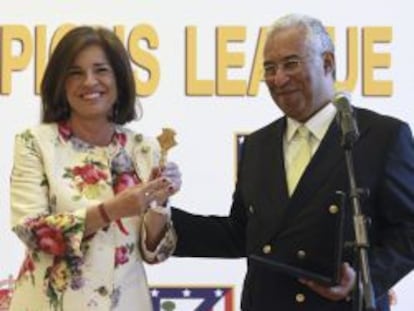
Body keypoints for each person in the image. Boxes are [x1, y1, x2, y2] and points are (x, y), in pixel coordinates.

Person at [171, 14, 414, 311]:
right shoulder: (258, 144)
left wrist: (365, 279)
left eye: (291, 64)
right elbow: (241, 233)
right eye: (269, 68)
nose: (278, 78)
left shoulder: (379, 136)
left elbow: (409, 229)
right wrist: (159, 221)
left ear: (327, 63)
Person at [9, 26, 181, 311]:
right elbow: (32, 230)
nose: (89, 82)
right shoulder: (34, 142)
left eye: (101, 70)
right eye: (75, 73)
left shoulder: (145, 148)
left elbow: (155, 253)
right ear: (60, 84)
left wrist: (160, 202)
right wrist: (112, 210)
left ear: (119, 80)